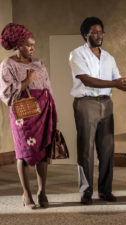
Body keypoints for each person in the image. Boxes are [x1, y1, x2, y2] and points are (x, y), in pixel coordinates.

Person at [69, 17, 126, 205]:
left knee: (107, 149)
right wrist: (115, 84)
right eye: (94, 32)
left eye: (101, 32)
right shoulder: (77, 54)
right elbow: (88, 80)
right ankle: (86, 192)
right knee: (86, 150)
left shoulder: (109, 57)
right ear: (85, 34)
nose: (99, 35)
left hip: (106, 103)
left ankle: (105, 190)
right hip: (86, 103)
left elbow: (118, 80)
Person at [0, 23, 57, 209]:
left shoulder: (38, 63)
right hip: (22, 113)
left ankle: (42, 191)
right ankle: (27, 194)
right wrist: (27, 81)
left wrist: (52, 111)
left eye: (33, 44)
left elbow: (48, 87)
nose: (32, 48)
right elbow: (5, 93)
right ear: (17, 45)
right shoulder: (7, 64)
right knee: (23, 152)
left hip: (42, 111)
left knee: (42, 152)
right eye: (27, 45)